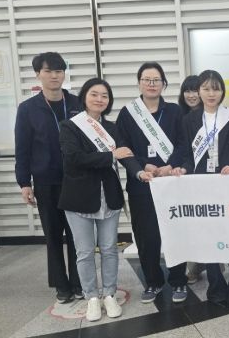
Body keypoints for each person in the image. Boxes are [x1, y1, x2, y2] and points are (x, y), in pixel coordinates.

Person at [58, 78, 153, 322]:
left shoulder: (111, 127)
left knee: (110, 249)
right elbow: (74, 158)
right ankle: (91, 297)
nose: (99, 99)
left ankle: (109, 294)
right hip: (78, 198)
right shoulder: (70, 126)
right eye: (94, 94)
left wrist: (139, 172)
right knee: (84, 251)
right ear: (84, 97)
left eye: (104, 95)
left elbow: (126, 154)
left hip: (108, 197)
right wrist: (110, 155)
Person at [170, 70, 229, 306]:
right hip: (202, 186)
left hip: (228, 183)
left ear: (222, 91)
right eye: (206, 89)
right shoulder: (189, 120)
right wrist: (183, 168)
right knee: (210, 237)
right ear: (199, 92)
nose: (211, 93)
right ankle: (216, 286)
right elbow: (188, 154)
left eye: (216, 88)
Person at [116, 62, 189, 304]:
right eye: (146, 79)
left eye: (156, 80)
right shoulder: (128, 113)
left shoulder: (175, 111)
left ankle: (178, 280)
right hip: (142, 185)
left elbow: (184, 144)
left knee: (175, 233)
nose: (151, 84)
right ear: (139, 83)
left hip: (171, 182)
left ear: (163, 84)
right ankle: (153, 282)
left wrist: (170, 165)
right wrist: (143, 166)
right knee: (147, 237)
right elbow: (123, 149)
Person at [14, 52, 82, 304]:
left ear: (64, 74)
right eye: (48, 71)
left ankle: (79, 282)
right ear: (38, 74)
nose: (54, 76)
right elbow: (22, 148)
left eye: (59, 71)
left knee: (78, 235)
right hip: (46, 182)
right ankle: (61, 285)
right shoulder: (28, 109)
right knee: (53, 236)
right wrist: (24, 183)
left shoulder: (77, 103)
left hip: (76, 180)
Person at [177, 75, 205, 283]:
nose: (192, 95)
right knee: (191, 224)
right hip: (185, 175)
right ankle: (195, 265)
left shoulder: (213, 115)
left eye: (195, 90)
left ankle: (207, 263)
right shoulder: (180, 115)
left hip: (206, 177)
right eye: (187, 91)